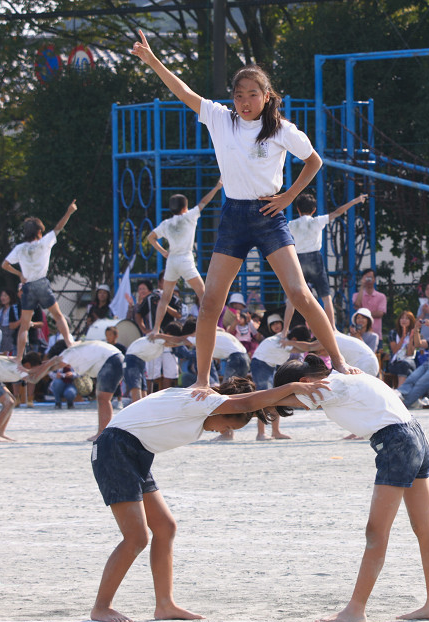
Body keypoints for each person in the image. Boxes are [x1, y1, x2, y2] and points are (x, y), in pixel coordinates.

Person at [131, 29, 355, 388]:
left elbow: (314, 161)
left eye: (253, 94)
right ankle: (203, 381)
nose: (245, 101)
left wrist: (288, 197)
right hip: (234, 216)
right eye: (239, 95)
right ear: (232, 99)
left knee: (299, 293)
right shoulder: (221, 119)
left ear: (267, 97)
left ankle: (340, 361)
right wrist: (153, 60)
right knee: (210, 304)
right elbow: (184, 93)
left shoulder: (281, 128)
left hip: (269, 216)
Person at [88, 376, 326, 622]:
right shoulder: (201, 400)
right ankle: (101, 607)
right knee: (136, 537)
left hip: (135, 453)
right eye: (228, 426)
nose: (225, 431)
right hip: (116, 450)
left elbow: (246, 402)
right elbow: (245, 403)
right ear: (222, 412)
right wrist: (294, 387)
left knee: (165, 528)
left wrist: (303, 400)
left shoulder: (203, 400)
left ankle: (165, 605)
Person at [272, 356, 429, 622]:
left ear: (306, 383)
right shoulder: (344, 377)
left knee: (376, 531)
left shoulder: (330, 387)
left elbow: (272, 400)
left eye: (299, 398)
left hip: (396, 442)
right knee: (425, 527)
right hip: (415, 436)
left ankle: (355, 609)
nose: (304, 406)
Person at [2, 200, 78, 362]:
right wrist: (69, 211)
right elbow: (59, 227)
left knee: (24, 325)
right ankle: (69, 342)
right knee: (57, 316)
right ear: (39, 232)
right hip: (42, 284)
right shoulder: (44, 242)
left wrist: (20, 274)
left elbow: (4, 265)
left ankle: (19, 357)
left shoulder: (20, 248)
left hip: (28, 287)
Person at [283, 191, 368, 331]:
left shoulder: (291, 224)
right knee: (326, 297)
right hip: (315, 258)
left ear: (297, 209)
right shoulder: (317, 221)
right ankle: (333, 328)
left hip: (299, 260)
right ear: (314, 210)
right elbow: (338, 212)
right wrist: (355, 200)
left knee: (292, 299)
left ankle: (284, 331)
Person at [147, 182, 223, 336]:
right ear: (184, 207)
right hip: (185, 259)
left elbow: (150, 238)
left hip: (172, 261)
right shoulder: (190, 216)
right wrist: (216, 187)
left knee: (165, 297)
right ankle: (211, 326)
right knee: (203, 293)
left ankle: (155, 329)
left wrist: (163, 252)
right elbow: (203, 202)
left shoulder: (166, 223)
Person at [44, 340, 124, 440]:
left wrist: (36, 370)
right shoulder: (76, 348)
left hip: (112, 360)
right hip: (115, 358)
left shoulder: (68, 353)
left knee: (103, 399)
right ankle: (103, 432)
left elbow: (53, 367)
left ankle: (103, 433)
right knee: (103, 398)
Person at [123, 330, 184, 405]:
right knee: (136, 389)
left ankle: (144, 412)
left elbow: (173, 344)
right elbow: (176, 342)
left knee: (143, 390)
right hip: (132, 360)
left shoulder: (159, 341)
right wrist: (185, 340)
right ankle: (138, 414)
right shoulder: (157, 337)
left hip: (140, 359)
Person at [352, 268, 387, 337]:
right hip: (360, 334)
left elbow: (380, 313)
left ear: (374, 279)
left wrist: (363, 314)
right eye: (366, 277)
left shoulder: (381, 296)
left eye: (370, 277)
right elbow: (357, 305)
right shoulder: (356, 295)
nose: (368, 280)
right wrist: (362, 286)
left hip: (376, 334)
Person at [387, 311, 419, 384]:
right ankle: (403, 391)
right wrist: (403, 338)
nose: (404, 320)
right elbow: (394, 350)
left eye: (407, 319)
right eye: (402, 318)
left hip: (409, 362)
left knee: (405, 365)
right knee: (409, 371)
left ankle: (400, 391)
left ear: (411, 321)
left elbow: (410, 353)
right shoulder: (393, 333)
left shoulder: (414, 333)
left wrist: (410, 339)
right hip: (395, 363)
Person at [0, 289, 23, 355]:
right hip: (1, 334)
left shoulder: (15, 308)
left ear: (10, 296)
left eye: (5, 295)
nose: (2, 298)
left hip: (11, 335)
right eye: (1, 296)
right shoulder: (1, 310)